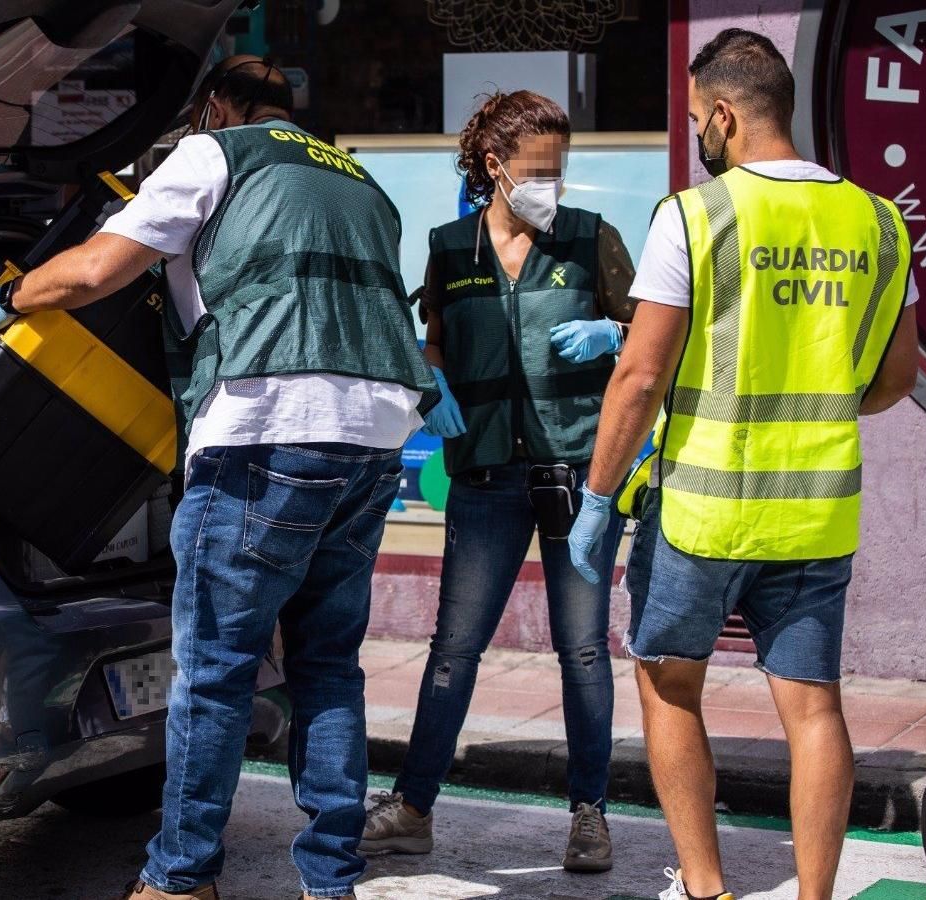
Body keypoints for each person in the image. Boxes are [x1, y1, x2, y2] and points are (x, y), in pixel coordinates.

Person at [0, 57, 437, 900]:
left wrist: (11, 297)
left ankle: (180, 878)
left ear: (216, 106)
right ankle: (331, 880)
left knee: (216, 670)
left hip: (265, 427)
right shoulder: (359, 178)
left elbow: (97, 269)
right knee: (329, 664)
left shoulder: (215, 153)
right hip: (375, 436)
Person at [566, 29, 920, 900]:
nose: (698, 133)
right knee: (814, 706)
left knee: (669, 687)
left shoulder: (696, 215)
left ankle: (707, 889)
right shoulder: (879, 221)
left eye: (697, 118)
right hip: (817, 513)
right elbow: (895, 380)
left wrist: (598, 496)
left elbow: (640, 376)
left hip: (702, 510)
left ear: (724, 115)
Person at [360, 90, 635, 874]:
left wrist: (613, 334)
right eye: (538, 171)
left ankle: (590, 815)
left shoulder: (590, 238)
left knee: (583, 651)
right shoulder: (452, 249)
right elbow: (434, 341)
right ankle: (413, 809)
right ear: (495, 165)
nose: (553, 185)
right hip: (484, 477)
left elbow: (654, 331)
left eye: (559, 169)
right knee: (454, 649)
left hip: (576, 474)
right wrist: (431, 382)